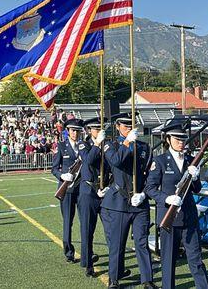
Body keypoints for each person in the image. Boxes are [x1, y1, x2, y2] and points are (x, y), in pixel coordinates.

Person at [145, 122, 208, 289]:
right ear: (168, 139)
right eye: (177, 139)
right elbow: (150, 188)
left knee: (196, 260)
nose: (181, 142)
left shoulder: (190, 160)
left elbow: (197, 189)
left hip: (189, 217)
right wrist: (167, 199)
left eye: (183, 139)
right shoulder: (159, 161)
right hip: (170, 218)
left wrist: (195, 178)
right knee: (168, 261)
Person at [102, 112, 157, 289]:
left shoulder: (144, 147)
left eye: (131, 125)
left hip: (139, 202)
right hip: (119, 202)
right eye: (125, 126)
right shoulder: (110, 145)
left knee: (142, 242)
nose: (128, 128)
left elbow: (150, 173)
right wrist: (127, 143)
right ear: (118, 126)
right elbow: (116, 161)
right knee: (117, 243)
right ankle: (114, 279)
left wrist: (143, 194)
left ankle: (147, 280)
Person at [77, 117, 108, 277]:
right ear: (89, 130)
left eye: (100, 128)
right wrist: (97, 145)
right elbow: (89, 160)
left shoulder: (107, 144)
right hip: (88, 192)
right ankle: (88, 264)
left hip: (104, 192)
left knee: (111, 230)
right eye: (96, 128)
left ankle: (117, 267)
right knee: (87, 230)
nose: (99, 131)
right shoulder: (83, 144)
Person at [51, 118, 84, 263]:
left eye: (77, 131)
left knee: (85, 221)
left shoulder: (84, 146)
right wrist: (61, 175)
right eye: (72, 130)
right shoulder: (62, 146)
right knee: (68, 222)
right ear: (68, 131)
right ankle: (69, 252)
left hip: (82, 189)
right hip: (67, 190)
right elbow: (54, 168)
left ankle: (87, 251)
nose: (75, 133)